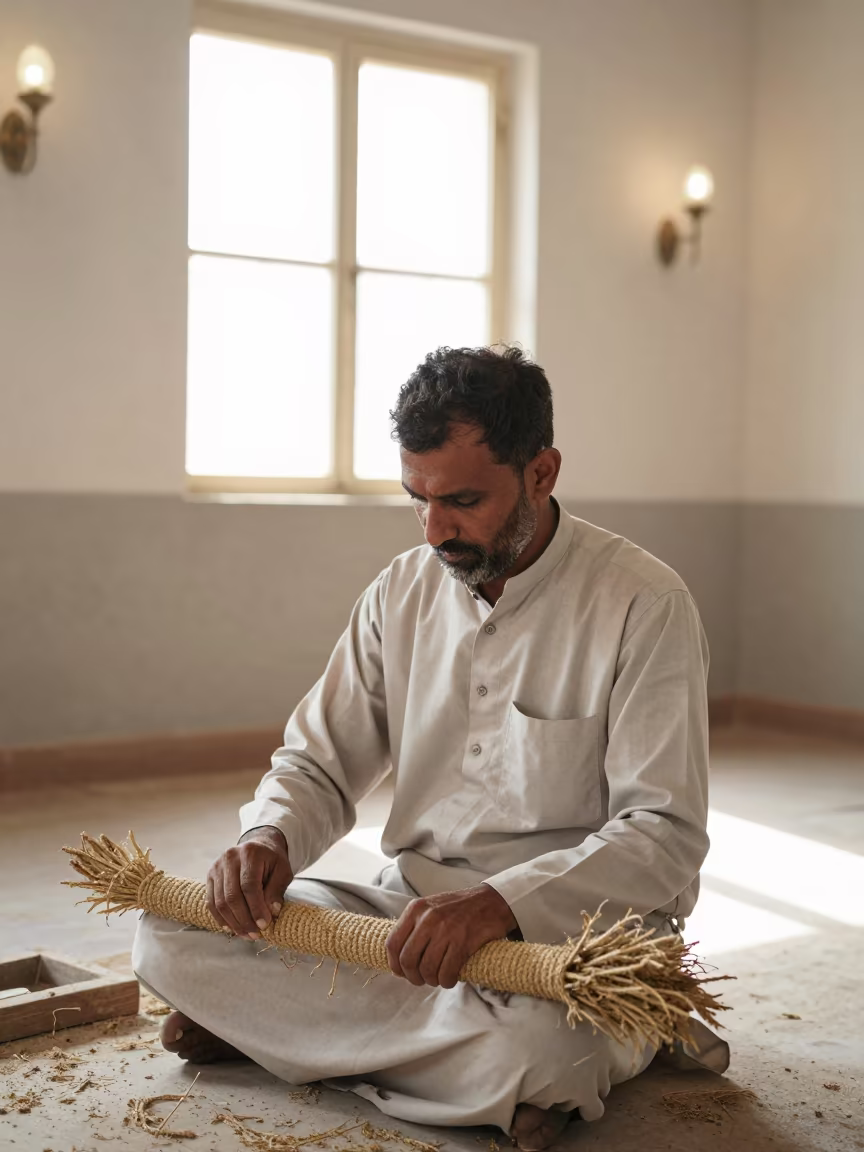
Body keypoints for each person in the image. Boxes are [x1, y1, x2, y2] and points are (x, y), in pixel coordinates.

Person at [133, 345, 726, 1150]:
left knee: (542, 1043)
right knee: (170, 936)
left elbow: (664, 834)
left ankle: (301, 1043)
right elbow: (318, 760)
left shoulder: (643, 603)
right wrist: (267, 836)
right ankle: (471, 1082)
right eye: (417, 499)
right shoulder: (401, 591)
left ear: (543, 472)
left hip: (575, 940)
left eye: (464, 500)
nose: (435, 528)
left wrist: (500, 906)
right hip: (406, 925)